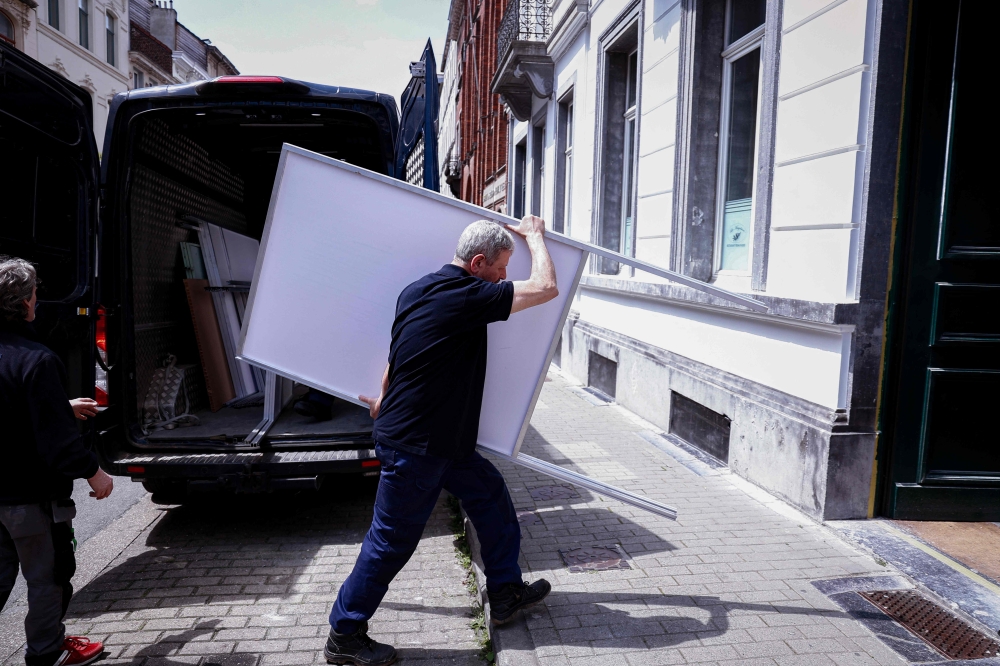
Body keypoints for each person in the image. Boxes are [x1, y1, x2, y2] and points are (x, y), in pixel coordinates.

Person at [324, 216, 560, 666]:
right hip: (417, 446)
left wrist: (383, 399)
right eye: (501, 268)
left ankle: (506, 590)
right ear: (477, 264)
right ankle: (345, 633)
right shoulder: (468, 296)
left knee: (490, 495)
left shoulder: (417, 289)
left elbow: (397, 353)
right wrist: (534, 238)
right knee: (391, 541)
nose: (504, 277)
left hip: (440, 440)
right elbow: (546, 287)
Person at [0, 256, 115, 666]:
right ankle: (46, 654)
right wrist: (94, 472)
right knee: (48, 579)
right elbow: (56, 445)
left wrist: (55, 405)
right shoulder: (37, 359)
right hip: (31, 499)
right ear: (28, 302)